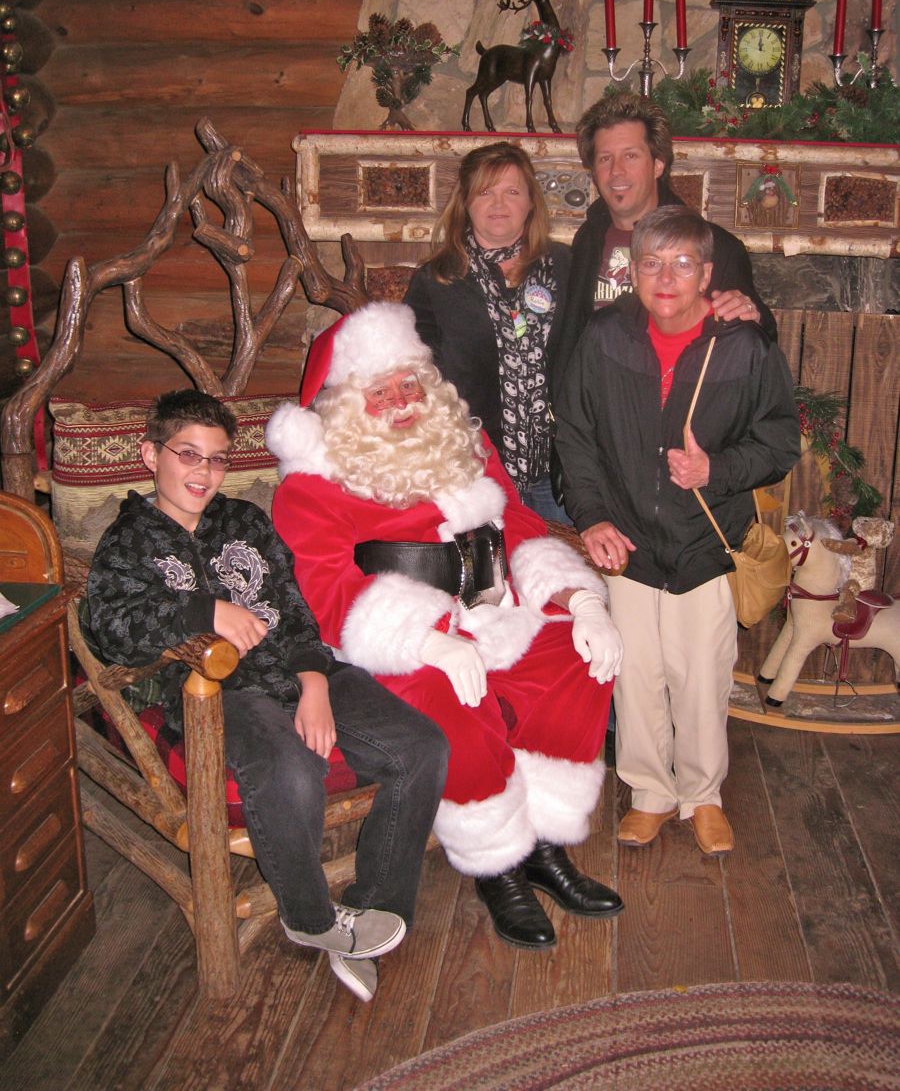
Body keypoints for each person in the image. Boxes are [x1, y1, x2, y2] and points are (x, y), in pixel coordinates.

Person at [267, 301, 625, 950]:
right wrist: (428, 641)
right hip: (393, 646)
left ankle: (544, 844)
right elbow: (328, 592)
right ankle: (498, 863)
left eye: (409, 384)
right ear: (345, 404)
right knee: (446, 693)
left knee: (576, 656)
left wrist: (579, 600)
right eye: (380, 393)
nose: (402, 403)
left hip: (495, 610)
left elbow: (520, 524)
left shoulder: (464, 443)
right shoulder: (311, 486)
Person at [87, 390, 448, 1004]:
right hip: (220, 691)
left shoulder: (246, 521)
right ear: (151, 455)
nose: (204, 472)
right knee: (291, 771)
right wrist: (204, 611)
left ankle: (373, 910)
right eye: (188, 454)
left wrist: (315, 681)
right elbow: (108, 629)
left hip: (300, 671)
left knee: (421, 747)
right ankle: (310, 918)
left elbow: (294, 606)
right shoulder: (128, 542)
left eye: (218, 459)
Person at [555, 206, 799, 856]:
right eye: (652, 263)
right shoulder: (605, 338)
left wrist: (717, 469)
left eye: (682, 264)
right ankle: (650, 794)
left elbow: (780, 442)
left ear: (707, 274)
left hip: (705, 545)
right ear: (631, 272)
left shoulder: (743, 346)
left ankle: (702, 795)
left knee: (702, 679)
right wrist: (593, 516)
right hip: (629, 542)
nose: (666, 278)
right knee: (636, 677)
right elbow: (575, 433)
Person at [555, 91, 777, 412]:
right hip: (599, 420)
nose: (616, 171)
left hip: (679, 422)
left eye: (631, 156)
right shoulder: (588, 239)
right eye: (605, 158)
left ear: (658, 164)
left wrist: (753, 316)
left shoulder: (715, 247)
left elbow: (757, 343)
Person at [404, 141, 571, 523]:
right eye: (485, 192)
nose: (499, 204)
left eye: (512, 191)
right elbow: (416, 375)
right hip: (474, 468)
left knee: (565, 559)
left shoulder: (565, 265)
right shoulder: (437, 279)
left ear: (531, 202)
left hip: (557, 467)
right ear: (466, 202)